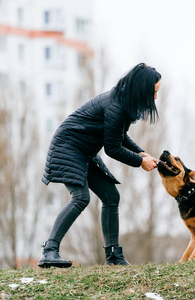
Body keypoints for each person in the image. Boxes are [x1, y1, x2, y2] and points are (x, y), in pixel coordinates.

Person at [38, 63, 161, 268]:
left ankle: (113, 256)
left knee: (111, 196)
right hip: (68, 147)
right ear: (142, 89)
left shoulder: (123, 101)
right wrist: (140, 162)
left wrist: (140, 152)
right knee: (81, 197)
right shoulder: (116, 106)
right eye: (154, 92)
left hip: (83, 150)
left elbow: (119, 136)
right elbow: (112, 148)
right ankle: (49, 251)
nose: (155, 98)